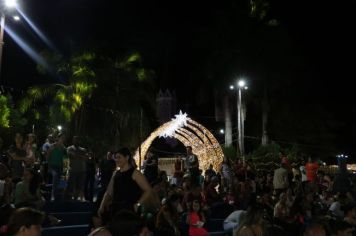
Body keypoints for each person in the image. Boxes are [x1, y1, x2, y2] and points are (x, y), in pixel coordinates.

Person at [98, 148, 152, 219]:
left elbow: (148, 190)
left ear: (127, 158)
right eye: (115, 158)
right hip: (116, 209)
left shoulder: (135, 173)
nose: (117, 160)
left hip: (130, 210)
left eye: (119, 157)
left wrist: (138, 204)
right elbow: (108, 192)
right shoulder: (115, 174)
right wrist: (102, 205)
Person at [66, 136, 87, 201]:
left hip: (81, 170)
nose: (76, 141)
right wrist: (80, 156)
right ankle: (69, 199)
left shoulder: (83, 149)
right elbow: (71, 155)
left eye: (77, 140)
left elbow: (85, 158)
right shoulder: (69, 148)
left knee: (79, 186)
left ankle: (75, 199)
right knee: (70, 186)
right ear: (73, 140)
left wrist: (78, 156)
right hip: (72, 170)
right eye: (75, 140)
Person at [47, 133, 67, 201]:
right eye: (61, 137)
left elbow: (66, 160)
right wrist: (49, 167)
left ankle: (61, 196)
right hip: (53, 167)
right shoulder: (52, 146)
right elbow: (48, 156)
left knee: (63, 180)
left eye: (64, 138)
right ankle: (53, 196)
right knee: (55, 177)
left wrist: (66, 169)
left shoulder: (64, 148)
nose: (62, 139)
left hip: (61, 167)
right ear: (58, 138)